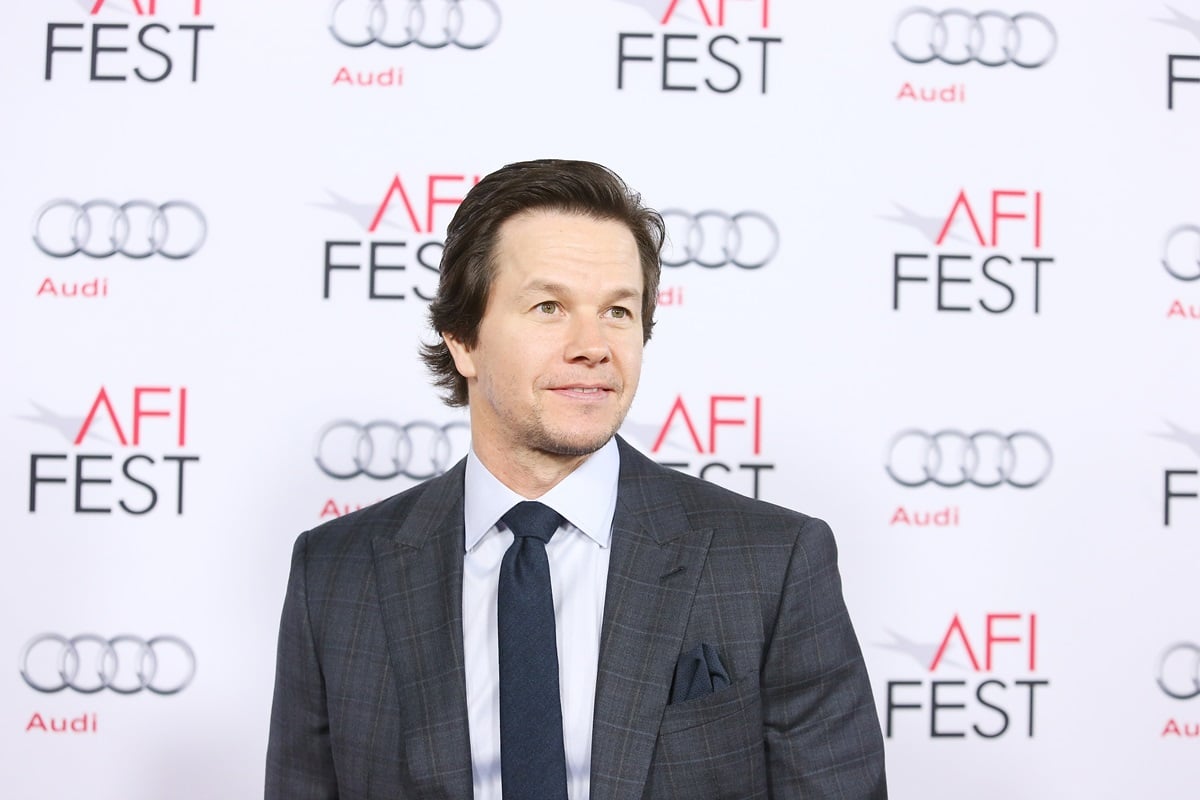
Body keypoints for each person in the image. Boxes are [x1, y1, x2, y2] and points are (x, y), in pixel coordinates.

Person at [265, 159, 887, 799]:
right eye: (548, 306)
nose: (593, 345)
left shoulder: (771, 562)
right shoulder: (335, 573)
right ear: (463, 341)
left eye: (618, 311)